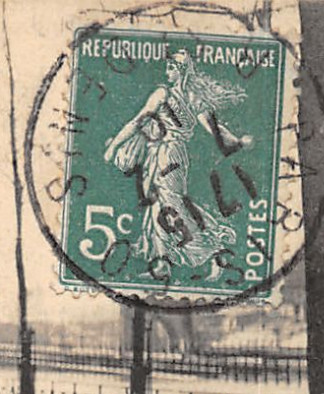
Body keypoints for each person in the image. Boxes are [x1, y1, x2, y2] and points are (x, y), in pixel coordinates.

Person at [102, 50, 252, 280]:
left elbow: (137, 121)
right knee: (158, 205)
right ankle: (161, 264)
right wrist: (237, 142)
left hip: (165, 155)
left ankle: (211, 252)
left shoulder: (163, 94)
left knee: (171, 205)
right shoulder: (194, 99)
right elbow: (217, 131)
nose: (167, 71)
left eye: (171, 68)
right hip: (173, 155)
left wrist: (113, 148)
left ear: (181, 71)